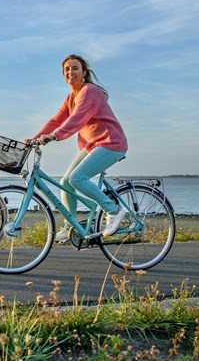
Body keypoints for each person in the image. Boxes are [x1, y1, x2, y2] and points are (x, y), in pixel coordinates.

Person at [30, 54, 128, 240]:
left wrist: (55, 136)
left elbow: (77, 119)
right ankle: (71, 227)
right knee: (66, 182)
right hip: (93, 145)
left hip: (111, 143)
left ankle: (113, 211)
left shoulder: (89, 91)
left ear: (84, 73)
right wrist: (33, 139)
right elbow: (56, 120)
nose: (70, 72)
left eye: (75, 68)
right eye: (67, 69)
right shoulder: (71, 98)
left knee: (77, 178)